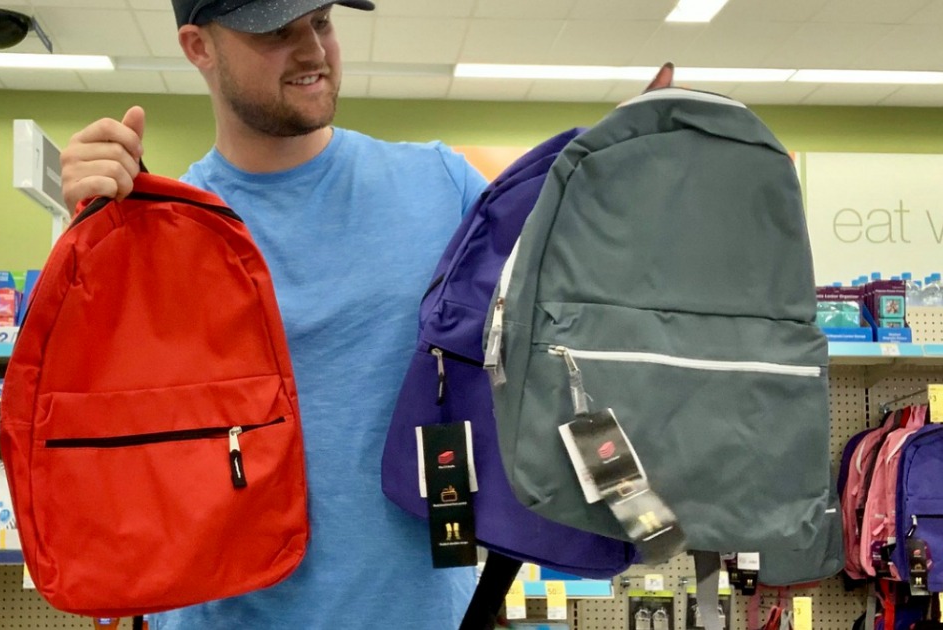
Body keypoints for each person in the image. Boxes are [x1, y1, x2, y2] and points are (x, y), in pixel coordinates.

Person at [59, 1, 674, 626]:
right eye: (276, 31)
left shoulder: (441, 186)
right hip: (220, 615)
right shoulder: (158, 234)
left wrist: (625, 188)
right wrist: (93, 240)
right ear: (199, 47)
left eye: (321, 21)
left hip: (422, 613)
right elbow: (96, 432)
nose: (313, 50)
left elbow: (575, 334)